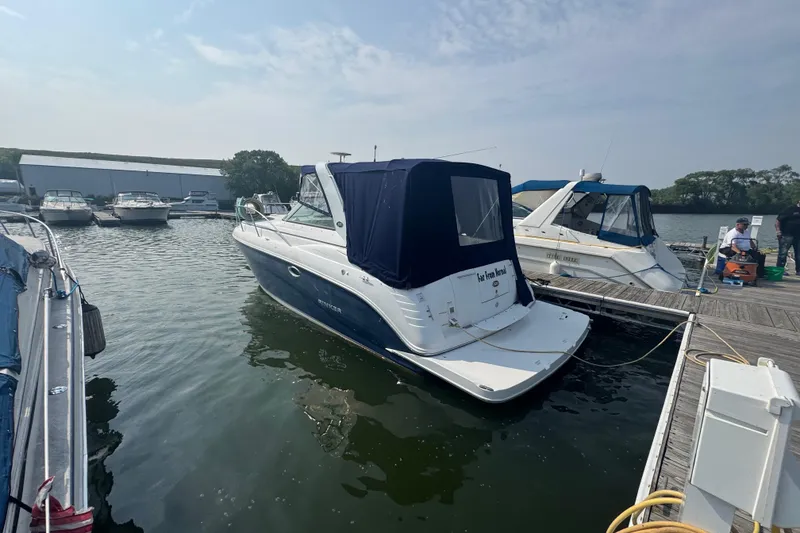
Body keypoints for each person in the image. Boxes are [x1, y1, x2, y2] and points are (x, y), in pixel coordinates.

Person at [775, 199, 800, 276]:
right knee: (783, 253)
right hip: (786, 235)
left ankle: (798, 271)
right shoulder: (790, 209)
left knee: (799, 254)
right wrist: (778, 232)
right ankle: (780, 270)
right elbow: (778, 221)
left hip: (798, 236)